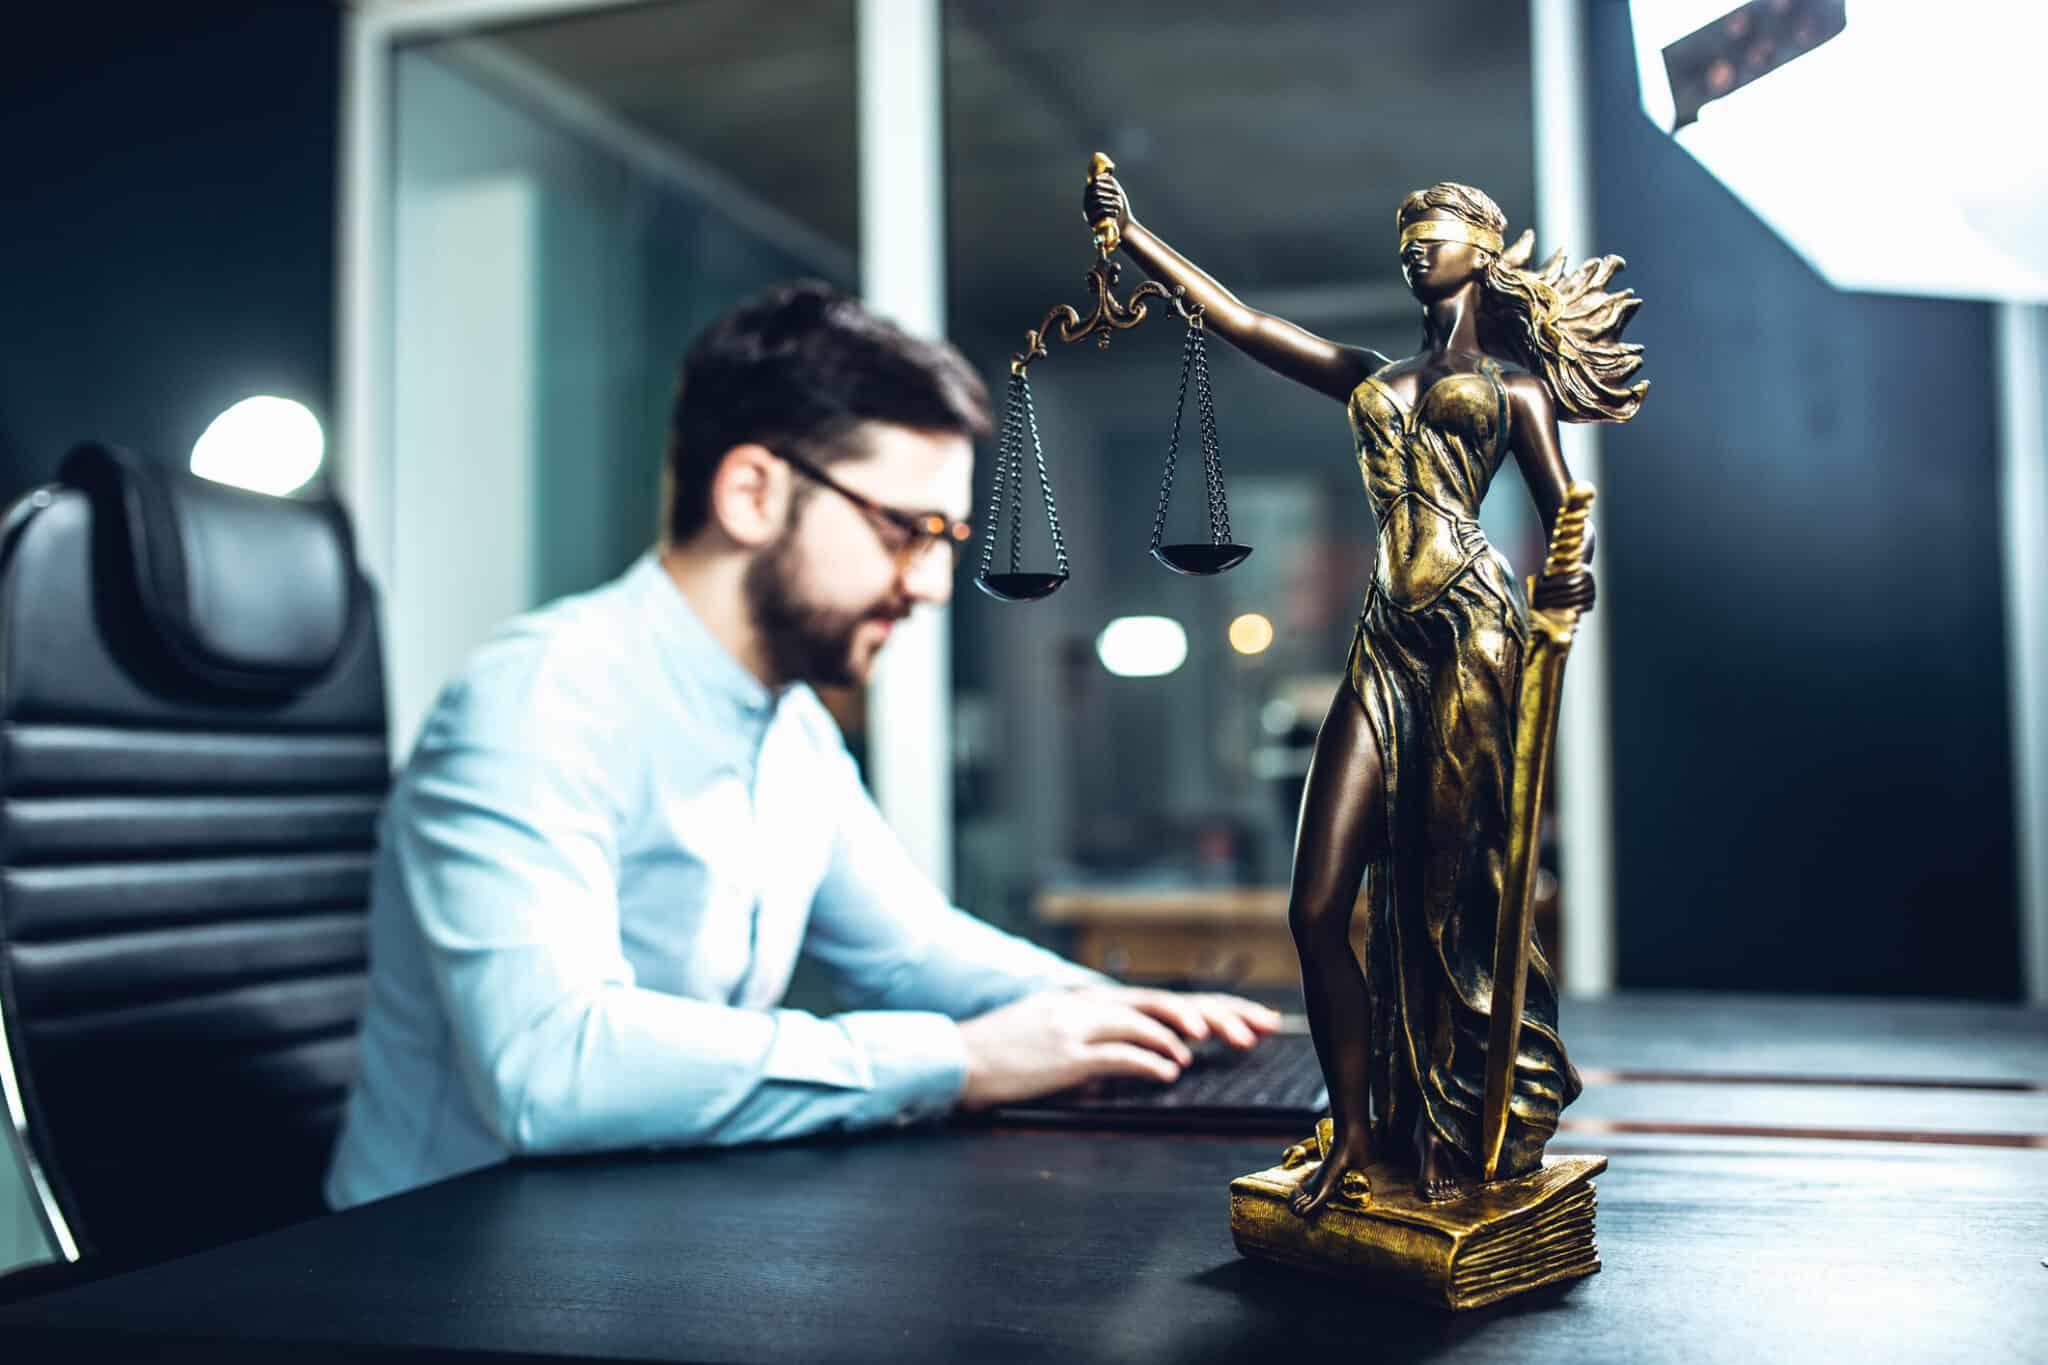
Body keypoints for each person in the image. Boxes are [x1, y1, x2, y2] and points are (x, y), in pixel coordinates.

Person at [324, 281, 1280, 1210]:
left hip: (630, 1219)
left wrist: (1115, 1010)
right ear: (751, 492)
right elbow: (550, 1068)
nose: (931, 584)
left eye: (947, 538)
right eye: (905, 530)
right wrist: (960, 1059)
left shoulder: (790, 727)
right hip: (434, 1252)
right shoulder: (538, 700)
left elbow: (908, 952)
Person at [1082, 169, 1644, 1208]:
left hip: (1473, 632)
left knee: (1448, 896)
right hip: (1384, 638)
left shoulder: (1516, 391)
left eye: (1436, 231)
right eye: (1406, 235)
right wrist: (1135, 236)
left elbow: (1569, 515)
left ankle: (1455, 1124)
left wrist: (1572, 577)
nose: (1415, 247)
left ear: (1482, 250)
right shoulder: (1368, 376)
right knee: (1316, 907)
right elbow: (1242, 322)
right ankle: (1354, 1129)